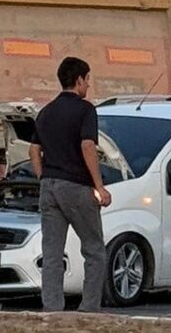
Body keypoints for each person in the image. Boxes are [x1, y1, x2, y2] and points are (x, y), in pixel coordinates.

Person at [28, 57, 111, 313]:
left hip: (49, 186)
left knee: (52, 253)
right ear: (78, 80)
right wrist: (99, 186)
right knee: (95, 250)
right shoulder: (86, 110)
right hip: (76, 186)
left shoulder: (46, 111)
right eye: (87, 80)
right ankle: (88, 309)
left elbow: (34, 149)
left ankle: (52, 309)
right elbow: (88, 145)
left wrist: (43, 176)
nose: (88, 85)